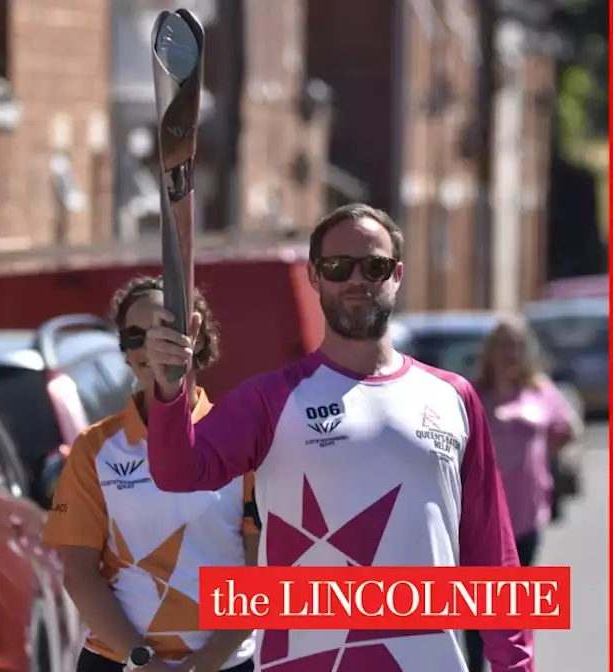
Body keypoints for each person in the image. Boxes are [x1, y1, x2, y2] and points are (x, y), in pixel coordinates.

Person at [140, 203, 534, 671]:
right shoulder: (270, 399)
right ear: (314, 276)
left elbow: (494, 557)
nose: (356, 280)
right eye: (337, 267)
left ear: (397, 275)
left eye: (374, 266)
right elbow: (177, 472)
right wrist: (169, 390)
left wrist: (515, 665)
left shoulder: (454, 397)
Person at [43, 278, 258, 672]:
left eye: (162, 333)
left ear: (195, 335)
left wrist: (206, 663)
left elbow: (261, 572)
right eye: (134, 337)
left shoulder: (243, 441)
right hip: (119, 662)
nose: (148, 349)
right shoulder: (94, 448)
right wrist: (142, 660)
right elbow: (78, 572)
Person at [462, 315, 582, 672]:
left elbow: (569, 429)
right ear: (490, 351)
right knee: (477, 603)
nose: (510, 353)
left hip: (525, 513)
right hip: (479, 516)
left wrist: (545, 456)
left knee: (511, 603)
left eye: (516, 345)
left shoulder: (541, 390)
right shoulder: (473, 393)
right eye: (503, 344)